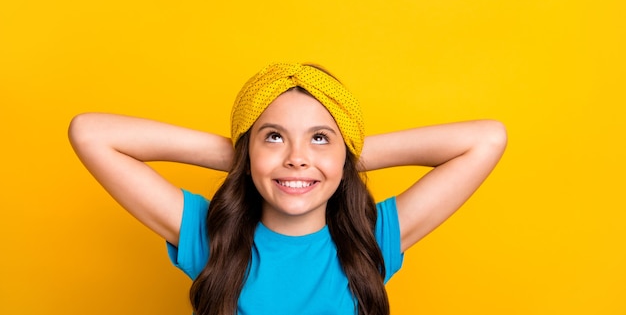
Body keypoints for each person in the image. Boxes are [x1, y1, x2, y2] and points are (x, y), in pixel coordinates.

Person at [68, 62, 507, 315]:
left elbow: (487, 139)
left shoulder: (373, 239)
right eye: (274, 136)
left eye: (319, 137)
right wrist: (246, 158)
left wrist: (338, 160)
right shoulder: (209, 237)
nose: (297, 157)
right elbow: (90, 133)